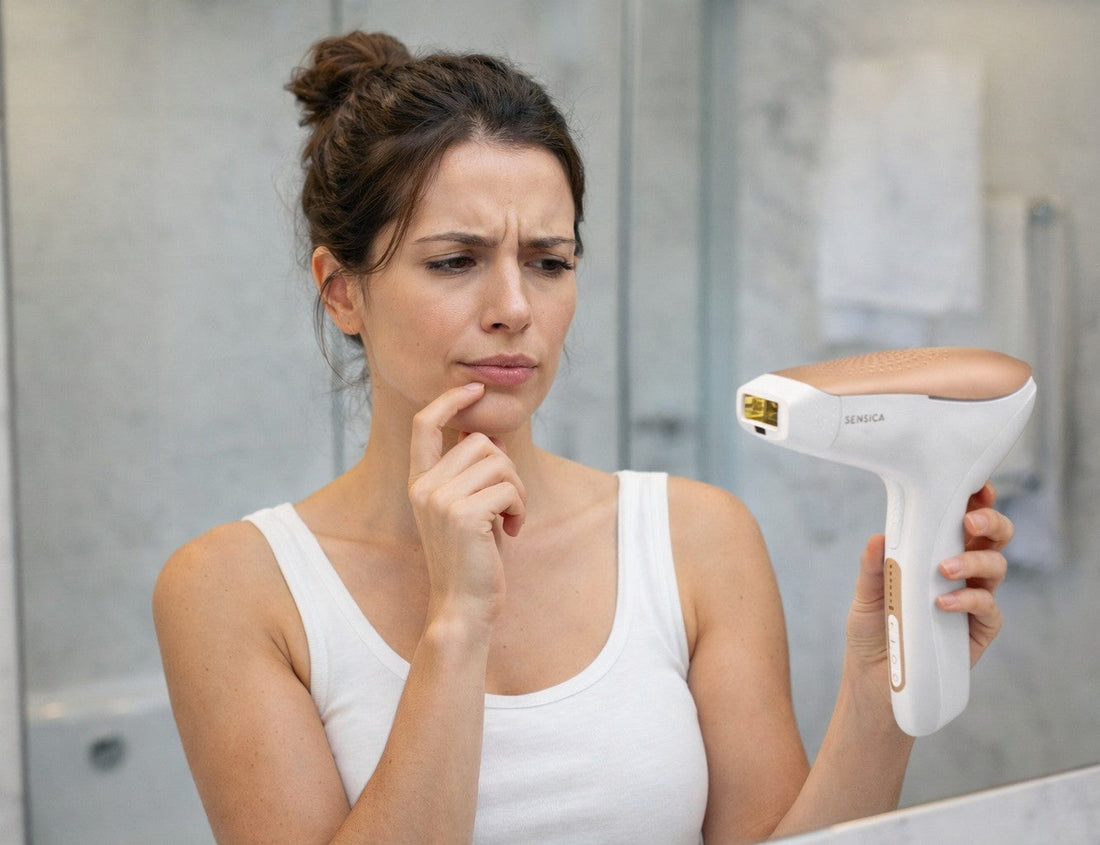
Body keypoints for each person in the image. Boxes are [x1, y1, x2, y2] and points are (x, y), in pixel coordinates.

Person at [153, 30, 1015, 844]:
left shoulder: (697, 538)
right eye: (455, 260)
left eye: (548, 261)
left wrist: (876, 694)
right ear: (341, 290)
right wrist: (457, 620)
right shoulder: (234, 590)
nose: (515, 308)